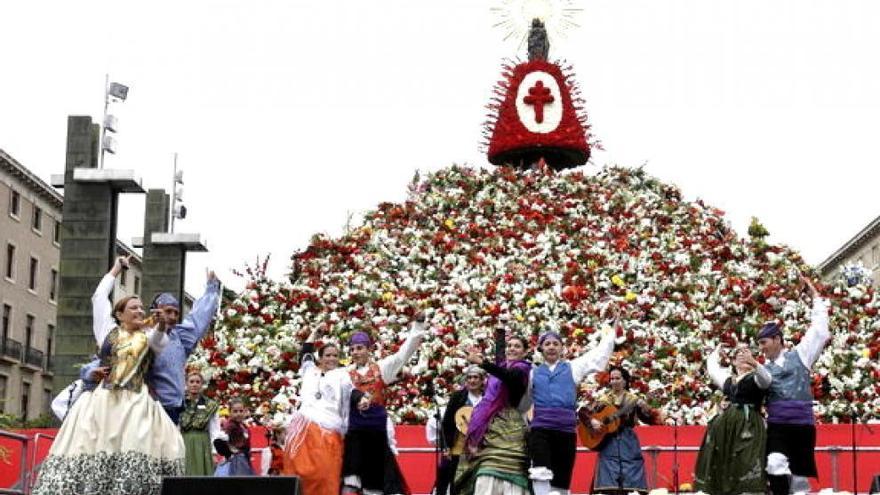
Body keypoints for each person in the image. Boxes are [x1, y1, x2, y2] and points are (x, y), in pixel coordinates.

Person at [33, 256, 185, 495]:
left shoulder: (151, 337)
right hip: (102, 400)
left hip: (136, 402)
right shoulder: (107, 330)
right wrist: (115, 270)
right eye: (133, 307)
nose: (140, 310)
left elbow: (159, 339)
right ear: (120, 314)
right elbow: (98, 298)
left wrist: (162, 324)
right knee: (87, 445)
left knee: (137, 447)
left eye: (142, 308)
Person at [758, 276, 830, 495]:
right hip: (778, 426)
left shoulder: (801, 356)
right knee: (774, 463)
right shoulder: (761, 370)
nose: (761, 348)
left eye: (764, 342)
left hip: (802, 425)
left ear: (777, 339)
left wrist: (815, 298)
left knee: (799, 477)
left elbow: (820, 331)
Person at [342, 316, 427, 495]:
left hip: (376, 432)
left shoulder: (382, 368)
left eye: (359, 348)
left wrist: (418, 325)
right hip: (354, 434)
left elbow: (404, 353)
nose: (355, 352)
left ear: (369, 349)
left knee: (376, 483)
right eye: (352, 349)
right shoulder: (344, 374)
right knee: (350, 482)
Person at [528, 325, 616, 495]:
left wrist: (611, 329)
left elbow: (598, 354)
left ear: (562, 348)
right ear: (540, 349)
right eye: (547, 344)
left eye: (555, 343)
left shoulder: (573, 367)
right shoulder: (532, 373)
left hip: (565, 429)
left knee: (562, 476)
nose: (552, 347)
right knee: (540, 471)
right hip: (541, 429)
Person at [454, 334, 532, 495]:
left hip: (510, 427)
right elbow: (500, 362)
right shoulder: (502, 366)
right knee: (484, 470)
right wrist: (501, 328)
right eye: (509, 346)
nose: (512, 349)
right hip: (488, 424)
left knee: (507, 471)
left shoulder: (522, 370)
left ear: (525, 352)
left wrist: (482, 363)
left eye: (517, 346)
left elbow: (508, 377)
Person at [283, 327, 353, 495]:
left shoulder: (343, 376)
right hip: (303, 433)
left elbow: (349, 401)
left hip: (329, 433)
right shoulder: (309, 370)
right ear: (319, 358)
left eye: (335, 355)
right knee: (300, 473)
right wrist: (315, 332)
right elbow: (306, 350)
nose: (332, 359)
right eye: (328, 355)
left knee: (326, 474)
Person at [694, 345, 771, 495]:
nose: (743, 356)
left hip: (749, 426)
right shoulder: (730, 381)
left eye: (747, 354)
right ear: (734, 362)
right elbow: (712, 368)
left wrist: (754, 363)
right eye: (739, 354)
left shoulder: (756, 378)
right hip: (726, 427)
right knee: (725, 460)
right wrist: (717, 351)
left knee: (748, 459)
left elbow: (766, 380)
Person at [148, 270, 221, 424]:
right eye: (168, 311)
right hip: (151, 408)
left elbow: (198, 319)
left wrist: (211, 289)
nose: (173, 317)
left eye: (176, 313)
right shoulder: (141, 337)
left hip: (174, 408)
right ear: (155, 311)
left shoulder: (179, 337)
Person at [590, 365, 661, 495]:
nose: (614, 381)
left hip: (628, 442)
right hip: (608, 442)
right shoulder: (603, 400)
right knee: (608, 479)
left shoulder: (633, 400)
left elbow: (649, 420)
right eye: (612, 379)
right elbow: (587, 415)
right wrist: (593, 421)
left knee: (631, 477)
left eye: (617, 378)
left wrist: (646, 409)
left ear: (625, 381)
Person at [430, 365, 487, 495]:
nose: (472, 381)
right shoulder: (457, 397)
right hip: (458, 445)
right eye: (469, 378)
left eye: (476, 377)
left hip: (481, 446)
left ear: (482, 380)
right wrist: (446, 447)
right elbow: (447, 423)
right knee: (455, 480)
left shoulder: (487, 398)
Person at [179, 370, 223, 476]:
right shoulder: (179, 403)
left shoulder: (210, 405)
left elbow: (215, 430)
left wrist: (214, 452)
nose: (194, 384)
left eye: (198, 382)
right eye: (192, 381)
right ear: (186, 384)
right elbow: (175, 427)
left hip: (203, 444)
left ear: (202, 384)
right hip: (184, 442)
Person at [214, 397, 256, 476]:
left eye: (241, 411)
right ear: (230, 412)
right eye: (235, 411)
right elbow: (219, 441)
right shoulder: (230, 426)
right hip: (236, 461)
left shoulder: (243, 426)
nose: (238, 414)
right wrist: (228, 452)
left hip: (244, 459)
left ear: (245, 411)